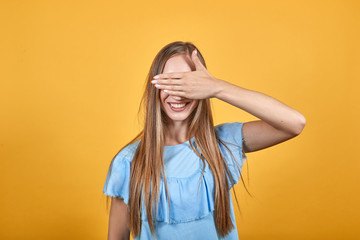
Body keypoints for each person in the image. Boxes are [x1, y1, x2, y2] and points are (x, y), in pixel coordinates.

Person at [103, 41, 306, 240]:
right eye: (169, 82)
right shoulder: (128, 163)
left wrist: (218, 88)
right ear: (154, 87)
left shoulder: (224, 143)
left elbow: (294, 123)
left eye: (187, 83)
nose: (178, 93)